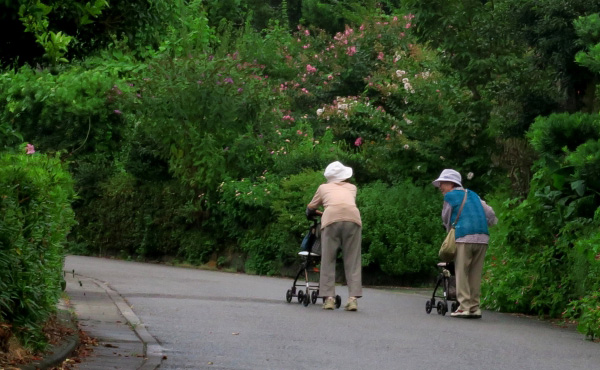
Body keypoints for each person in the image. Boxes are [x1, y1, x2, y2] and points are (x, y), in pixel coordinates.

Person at [432, 169, 497, 318]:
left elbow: (447, 219)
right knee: (475, 273)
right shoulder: (473, 194)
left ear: (452, 184)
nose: (440, 186)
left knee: (461, 272)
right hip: (482, 237)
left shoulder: (450, 196)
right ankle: (475, 307)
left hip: (464, 237)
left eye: (443, 183)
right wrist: (482, 224)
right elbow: (491, 213)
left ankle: (464, 307)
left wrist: (450, 233)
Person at [306, 161, 362, 311]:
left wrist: (315, 213)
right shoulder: (352, 187)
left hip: (330, 219)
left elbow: (310, 208)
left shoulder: (323, 188)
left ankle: (329, 299)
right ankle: (353, 299)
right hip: (353, 219)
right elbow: (344, 205)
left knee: (328, 259)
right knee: (353, 259)